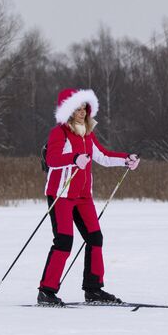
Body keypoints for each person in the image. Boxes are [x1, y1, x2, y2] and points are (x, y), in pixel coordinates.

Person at [38, 88, 140, 306]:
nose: (82, 112)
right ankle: (46, 291)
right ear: (67, 110)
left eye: (84, 108)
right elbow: (53, 159)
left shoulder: (87, 134)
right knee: (64, 241)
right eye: (77, 108)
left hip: (83, 197)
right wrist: (74, 158)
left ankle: (93, 290)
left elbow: (102, 156)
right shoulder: (60, 133)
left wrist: (126, 160)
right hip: (61, 195)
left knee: (95, 238)